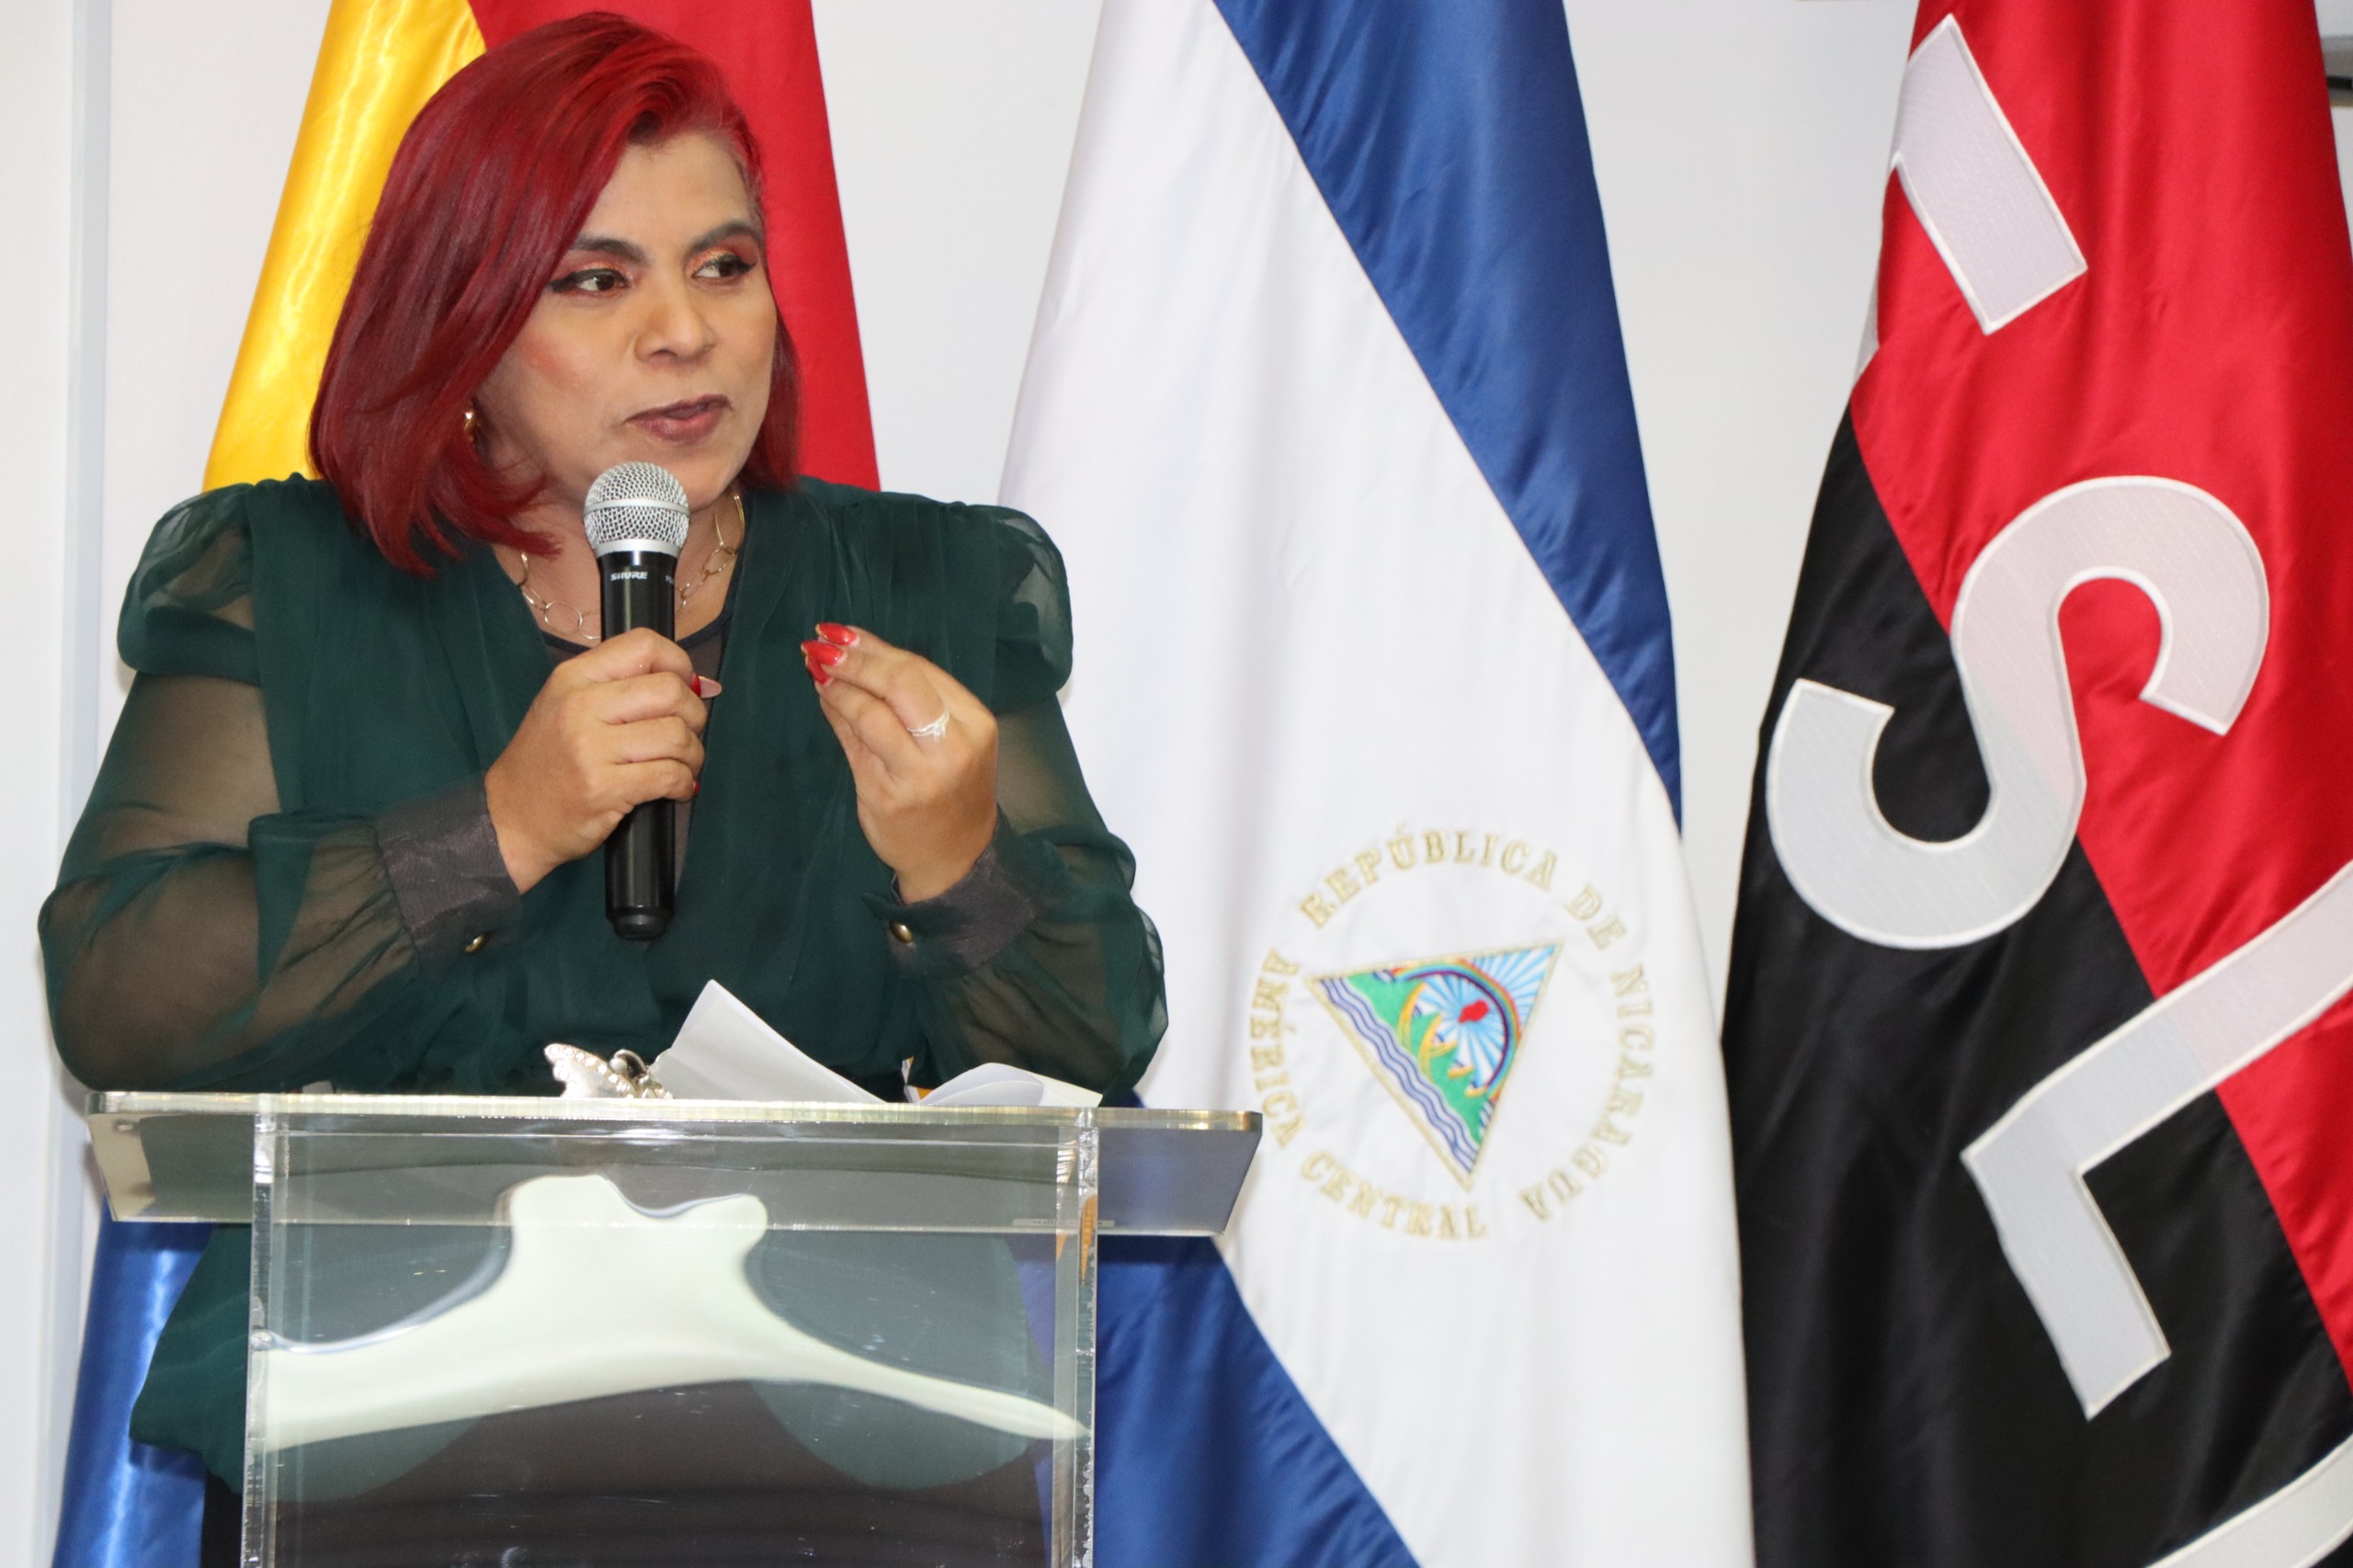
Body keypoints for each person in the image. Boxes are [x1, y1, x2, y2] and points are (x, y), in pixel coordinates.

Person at [40, 13, 1165, 1557]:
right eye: (596, 279)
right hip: (388, 1456)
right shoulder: (293, 586)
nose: (685, 332)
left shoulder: (926, 589)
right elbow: (116, 991)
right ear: (462, 321)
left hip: (857, 1464)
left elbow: (1101, 1049)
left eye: (724, 266)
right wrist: (493, 831)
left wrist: (960, 867)